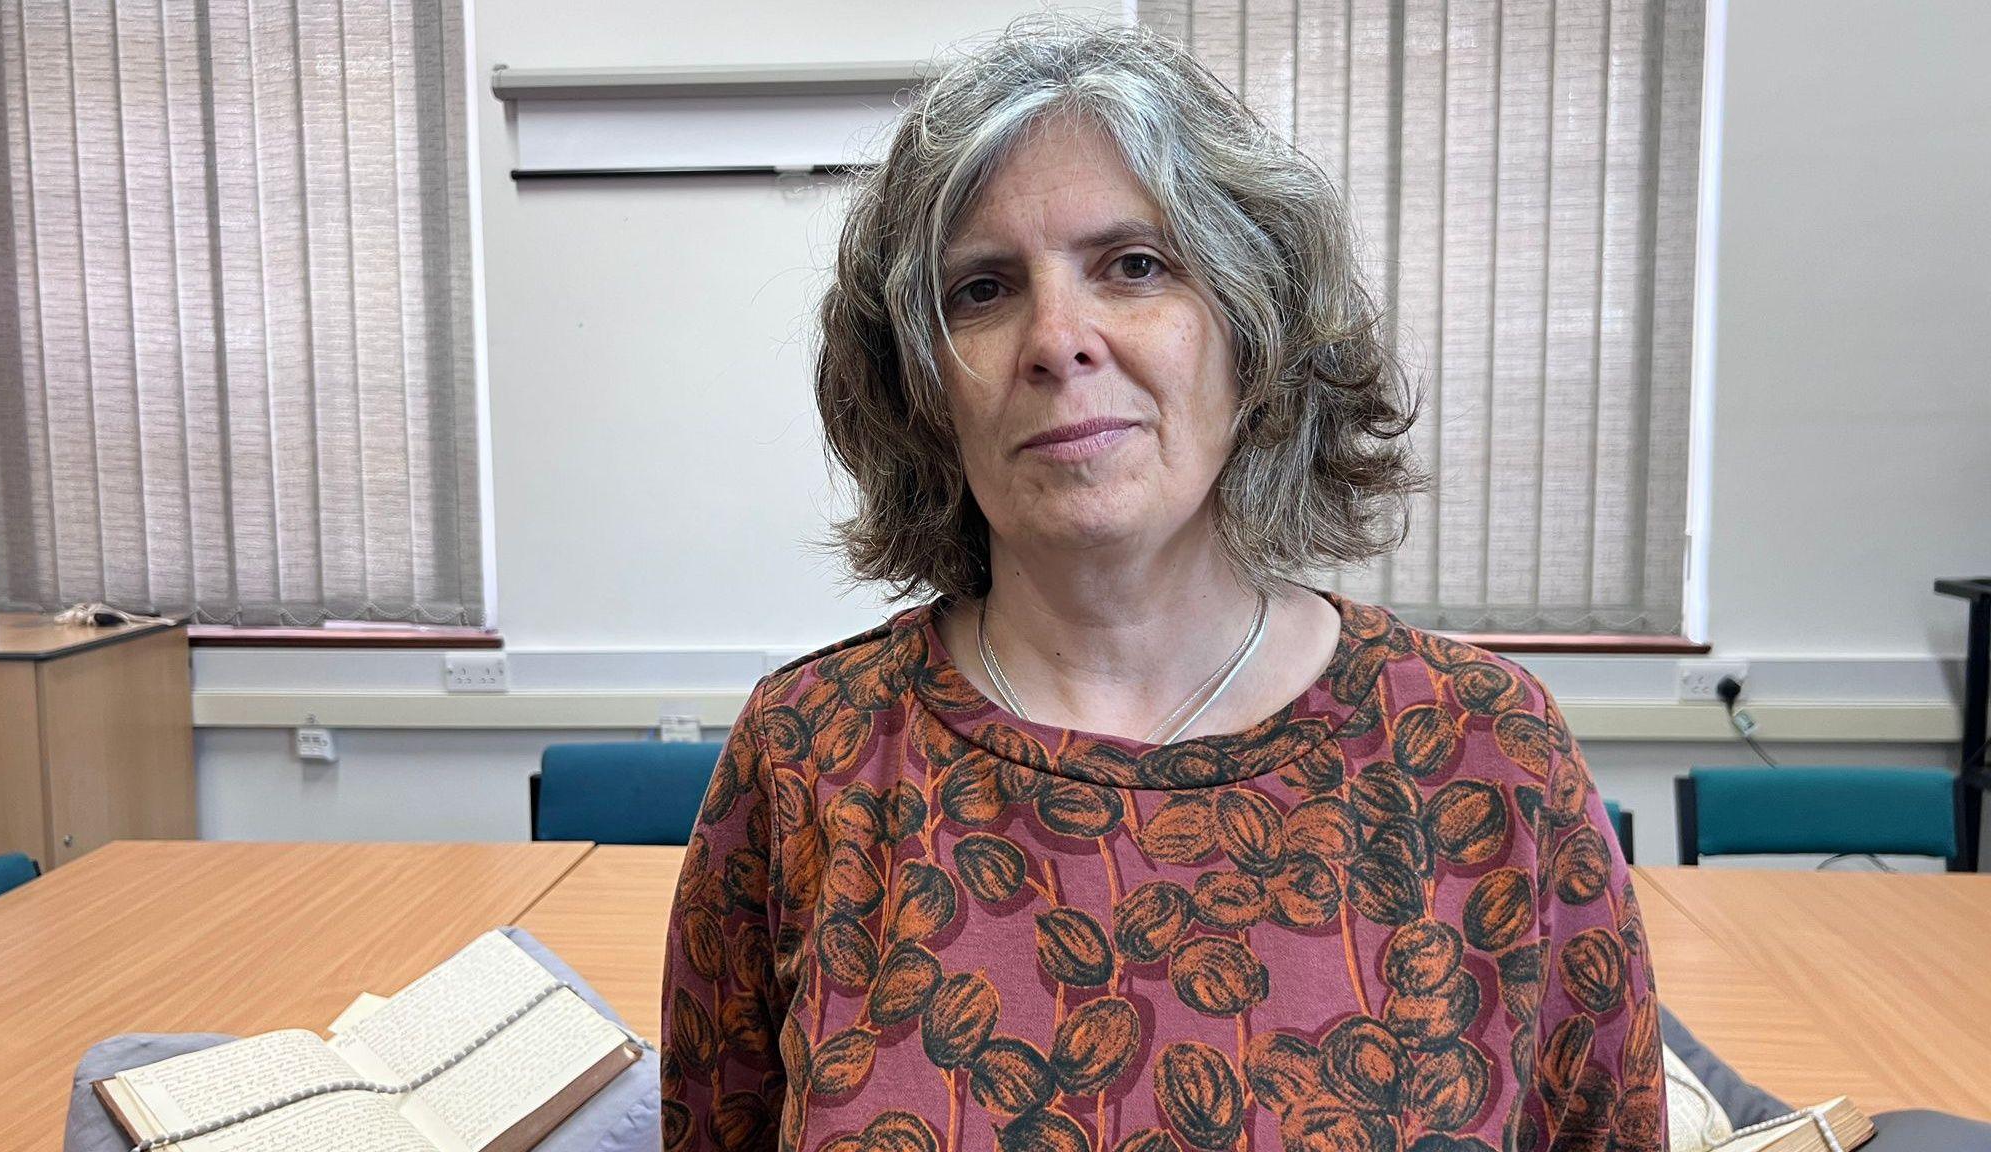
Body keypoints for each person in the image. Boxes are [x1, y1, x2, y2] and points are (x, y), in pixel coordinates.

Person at [661, 18, 1663, 1152]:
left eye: (1132, 267)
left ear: (1253, 326)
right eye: (980, 292)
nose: (1056, 338)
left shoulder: (1488, 756)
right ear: (919, 388)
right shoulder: (808, 759)